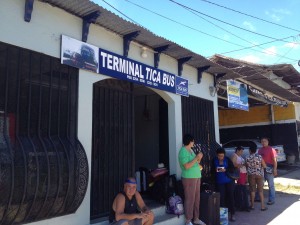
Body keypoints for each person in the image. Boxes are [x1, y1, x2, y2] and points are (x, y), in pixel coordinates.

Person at [178, 134, 206, 225]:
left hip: (196, 176)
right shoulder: (183, 151)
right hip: (189, 178)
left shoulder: (191, 150)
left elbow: (195, 162)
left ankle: (196, 218)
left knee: (197, 198)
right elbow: (186, 166)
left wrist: (199, 159)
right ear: (190, 141)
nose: (194, 143)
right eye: (193, 141)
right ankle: (188, 220)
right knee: (190, 199)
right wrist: (197, 158)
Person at [212, 147, 236, 222]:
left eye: (222, 156)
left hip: (229, 181)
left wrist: (226, 170)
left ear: (224, 155)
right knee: (222, 199)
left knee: (230, 197)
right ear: (217, 155)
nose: (220, 157)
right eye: (219, 156)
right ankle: (223, 217)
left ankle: (232, 214)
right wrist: (215, 171)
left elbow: (232, 169)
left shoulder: (227, 159)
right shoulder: (214, 160)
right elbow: (211, 171)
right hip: (219, 182)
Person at [246, 146, 267, 211]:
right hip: (259, 175)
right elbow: (264, 165)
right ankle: (263, 207)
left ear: (250, 150)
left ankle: (252, 206)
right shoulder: (259, 157)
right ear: (256, 150)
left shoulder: (247, 157)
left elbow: (246, 166)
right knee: (260, 191)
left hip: (251, 175)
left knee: (252, 190)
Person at [258, 137, 277, 205]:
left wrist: (275, 169)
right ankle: (258, 198)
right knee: (260, 184)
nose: (263, 143)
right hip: (261, 168)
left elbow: (275, 160)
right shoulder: (260, 150)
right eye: (262, 141)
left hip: (269, 168)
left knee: (271, 185)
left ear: (268, 142)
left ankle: (271, 200)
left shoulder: (271, 149)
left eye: (265, 141)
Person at [231, 146, 250, 212]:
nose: (242, 153)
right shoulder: (234, 155)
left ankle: (244, 204)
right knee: (242, 189)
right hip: (239, 173)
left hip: (243, 173)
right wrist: (241, 164)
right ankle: (242, 205)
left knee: (243, 189)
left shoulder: (240, 157)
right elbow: (233, 164)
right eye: (241, 151)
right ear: (237, 150)